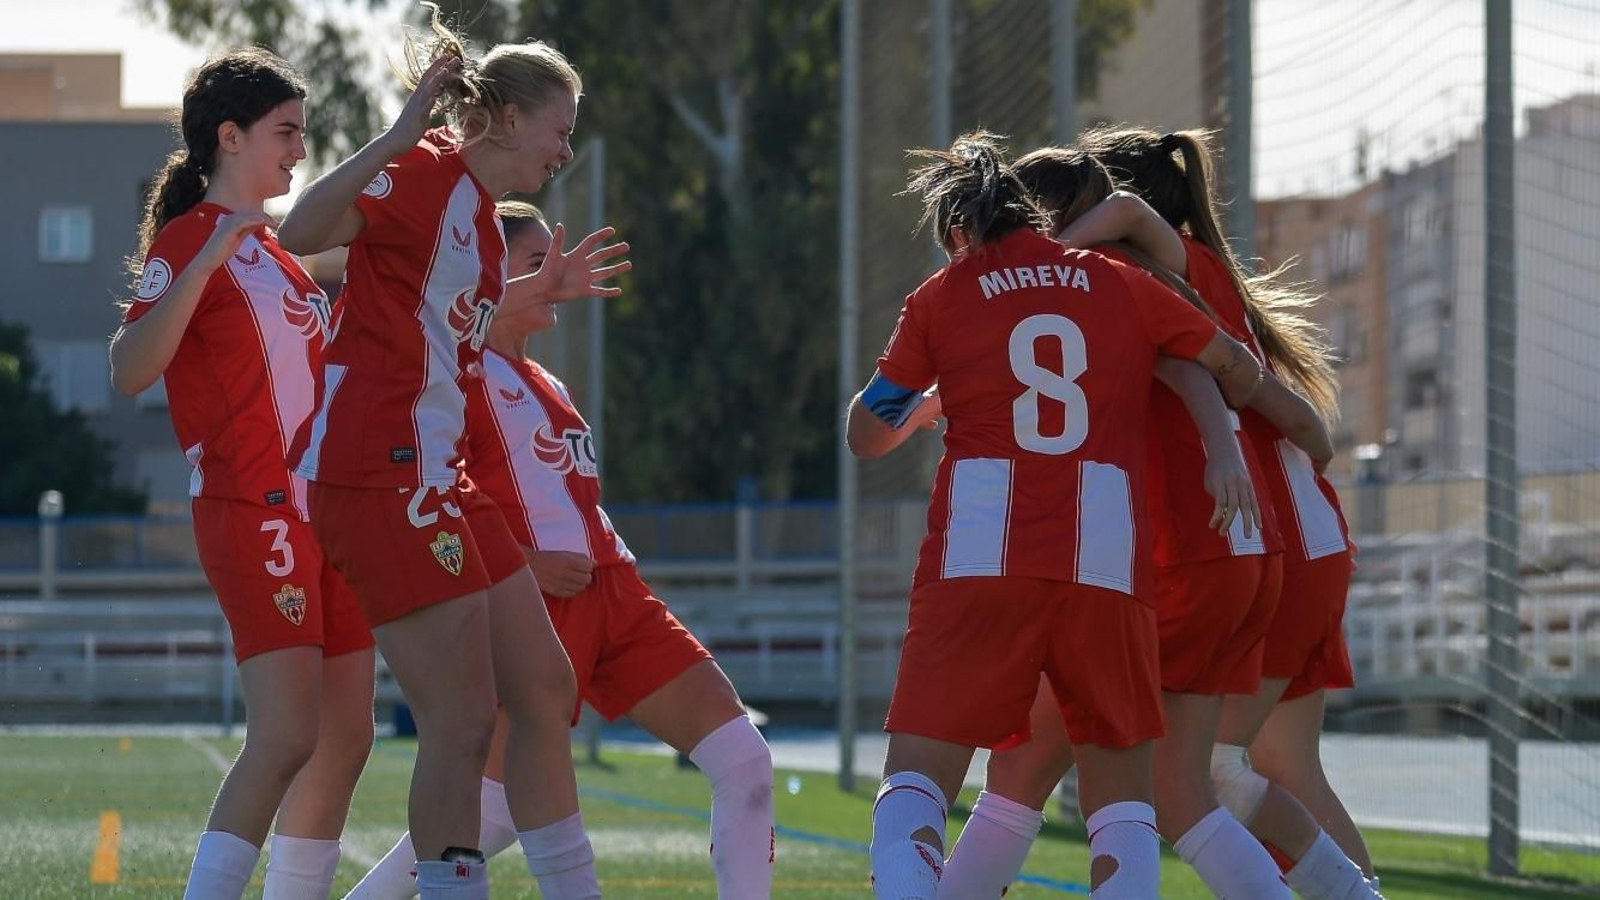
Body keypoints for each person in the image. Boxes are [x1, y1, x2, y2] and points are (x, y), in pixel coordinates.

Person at [938, 137, 1379, 900]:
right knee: (1196, 784)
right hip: (1258, 549)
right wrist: (1283, 432)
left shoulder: (1105, 279)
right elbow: (1259, 396)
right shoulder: (1159, 277)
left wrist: (1225, 448)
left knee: (1044, 767)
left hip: (1190, 554)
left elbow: (1183, 363)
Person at [850, 131, 1265, 900]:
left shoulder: (946, 294)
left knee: (917, 782)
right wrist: (1223, 425)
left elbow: (866, 432)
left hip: (980, 553)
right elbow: (1228, 364)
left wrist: (926, 405)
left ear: (957, 229)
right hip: (1104, 559)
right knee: (1122, 805)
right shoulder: (1114, 283)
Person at [275, 8, 630, 897]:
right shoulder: (425, 171)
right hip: (375, 472)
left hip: (437, 475)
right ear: (508, 118)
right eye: (561, 130)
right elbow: (300, 231)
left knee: (542, 687)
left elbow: (437, 321)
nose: (565, 152)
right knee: (463, 718)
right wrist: (394, 137)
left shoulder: (476, 211)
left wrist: (527, 290)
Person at [345, 202, 776, 899]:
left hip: (620, 595)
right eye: (534, 262)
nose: (555, 274)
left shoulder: (550, 383)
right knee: (491, 812)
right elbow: (429, 490)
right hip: (543, 605)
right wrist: (522, 560)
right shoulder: (459, 374)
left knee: (745, 762)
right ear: (489, 277)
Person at [109, 48, 375, 900]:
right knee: (288, 734)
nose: (301, 149)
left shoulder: (278, 252)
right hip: (252, 509)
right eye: (286, 132)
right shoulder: (195, 240)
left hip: (322, 515)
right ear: (230, 137)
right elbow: (128, 368)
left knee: (349, 733)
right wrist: (211, 253)